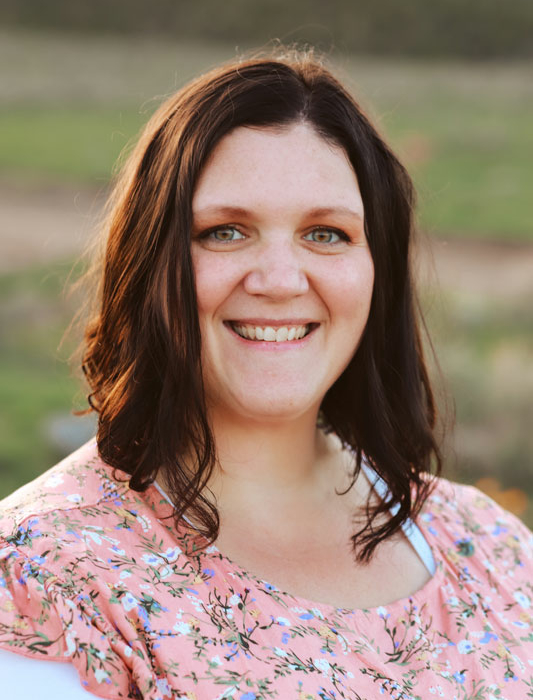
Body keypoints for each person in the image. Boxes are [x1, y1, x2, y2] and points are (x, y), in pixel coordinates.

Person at [1, 50, 532, 700]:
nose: (279, 281)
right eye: (224, 232)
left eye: (326, 234)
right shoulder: (44, 576)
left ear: (378, 272)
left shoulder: (490, 547)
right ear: (148, 262)